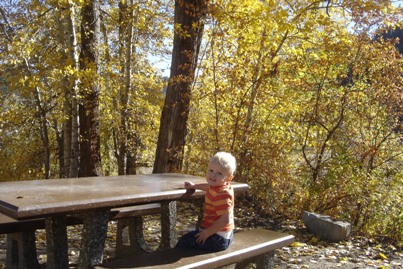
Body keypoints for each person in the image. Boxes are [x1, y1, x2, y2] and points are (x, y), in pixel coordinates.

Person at [176, 151, 236, 251]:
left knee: (184, 242)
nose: (213, 175)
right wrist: (194, 186)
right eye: (211, 170)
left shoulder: (221, 195)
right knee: (191, 238)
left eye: (219, 173)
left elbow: (225, 220)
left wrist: (207, 233)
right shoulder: (220, 186)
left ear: (229, 178)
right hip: (225, 235)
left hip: (217, 238)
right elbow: (208, 186)